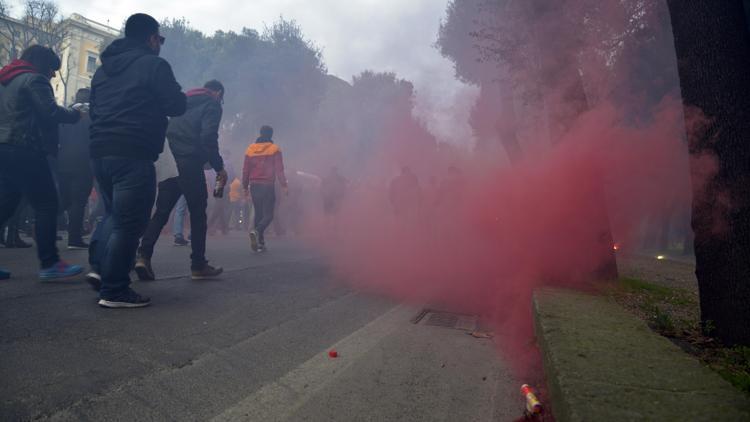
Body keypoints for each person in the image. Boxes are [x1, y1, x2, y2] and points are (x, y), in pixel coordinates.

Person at [88, 13, 186, 307]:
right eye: (160, 39)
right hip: (133, 151)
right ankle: (115, 289)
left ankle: (101, 269)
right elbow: (177, 104)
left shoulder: (102, 71)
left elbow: (94, 110)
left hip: (100, 151)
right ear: (152, 38)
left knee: (114, 215)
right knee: (131, 222)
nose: (161, 45)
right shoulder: (154, 65)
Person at [0, 45, 84, 280]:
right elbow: (50, 113)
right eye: (52, 69)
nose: (53, 75)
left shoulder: (5, 79)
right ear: (42, 65)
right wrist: (75, 114)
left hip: (4, 148)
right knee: (47, 204)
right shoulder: (34, 80)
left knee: (6, 203)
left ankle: (50, 263)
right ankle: (50, 263)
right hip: (25, 148)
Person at [135, 80, 226, 281]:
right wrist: (219, 166)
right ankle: (198, 264)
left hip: (169, 160)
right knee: (198, 213)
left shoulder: (183, 101)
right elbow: (208, 137)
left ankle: (143, 256)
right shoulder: (212, 104)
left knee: (161, 212)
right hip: (189, 162)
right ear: (218, 93)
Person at [58, 88, 94, 249]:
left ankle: (43, 228)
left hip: (63, 160)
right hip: (84, 162)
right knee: (78, 201)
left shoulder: (65, 113)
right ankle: (74, 238)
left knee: (64, 199)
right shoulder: (93, 116)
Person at [242, 125, 287, 252]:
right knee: (269, 215)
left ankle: (259, 242)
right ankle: (257, 232)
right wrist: (284, 185)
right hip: (267, 185)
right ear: (271, 135)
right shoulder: (274, 149)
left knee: (258, 212)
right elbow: (279, 169)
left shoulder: (250, 149)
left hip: (254, 185)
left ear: (260, 133)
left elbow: (246, 170)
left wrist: (245, 187)